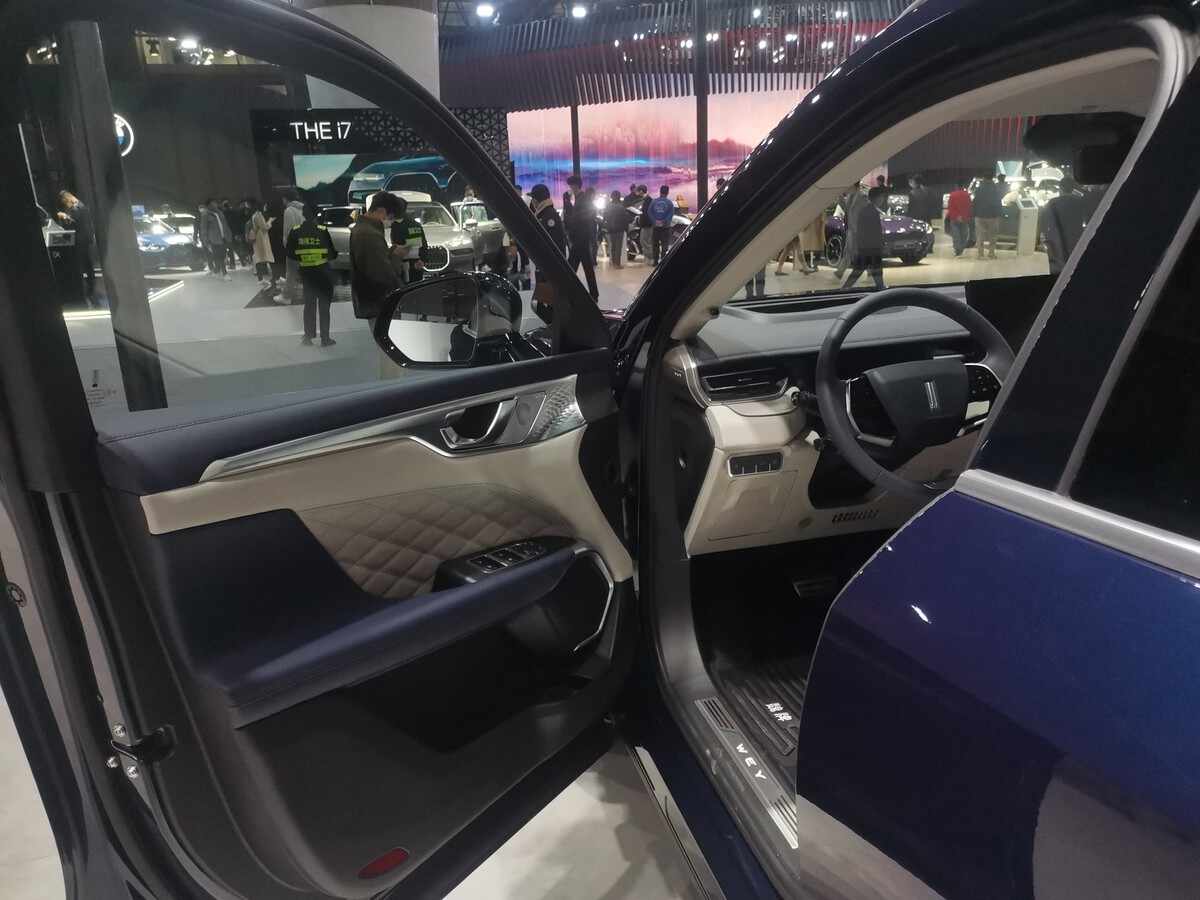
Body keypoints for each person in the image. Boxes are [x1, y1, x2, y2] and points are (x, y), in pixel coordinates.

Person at [286, 204, 338, 347]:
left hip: (306, 274)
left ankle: (308, 337)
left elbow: (290, 254)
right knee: (324, 306)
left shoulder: (295, 231)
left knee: (309, 305)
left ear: (303, 214)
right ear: (316, 215)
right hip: (323, 274)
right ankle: (325, 338)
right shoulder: (322, 230)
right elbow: (332, 254)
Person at [349, 190, 403, 320]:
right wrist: (396, 256)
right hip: (379, 303)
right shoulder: (368, 234)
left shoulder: (366, 230)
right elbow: (382, 274)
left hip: (373, 302)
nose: (390, 222)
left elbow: (373, 260)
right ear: (382, 211)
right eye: (391, 218)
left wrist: (390, 252)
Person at [529, 183, 566, 322]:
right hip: (546, 267)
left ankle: (555, 328)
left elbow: (553, 245)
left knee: (544, 305)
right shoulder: (544, 214)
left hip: (550, 269)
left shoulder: (548, 216)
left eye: (533, 199)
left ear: (536, 200)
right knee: (543, 304)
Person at [842, 187, 886, 291]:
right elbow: (873, 232)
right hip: (871, 248)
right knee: (875, 272)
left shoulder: (867, 210)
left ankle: (844, 289)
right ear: (877, 198)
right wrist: (880, 245)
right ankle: (881, 290)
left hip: (866, 248)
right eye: (882, 197)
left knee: (860, 271)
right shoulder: (872, 212)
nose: (883, 199)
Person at [55, 191, 96, 304]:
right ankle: (90, 290)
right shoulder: (80, 205)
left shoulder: (77, 207)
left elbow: (73, 222)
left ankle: (85, 291)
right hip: (85, 239)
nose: (66, 206)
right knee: (87, 265)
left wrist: (64, 216)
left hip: (81, 240)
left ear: (66, 199)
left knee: (82, 265)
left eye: (64, 202)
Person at [564, 175, 599, 300]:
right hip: (581, 238)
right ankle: (593, 294)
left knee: (572, 267)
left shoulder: (582, 199)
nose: (570, 188)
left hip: (580, 238)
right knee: (586, 267)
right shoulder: (580, 199)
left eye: (570, 186)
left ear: (575, 186)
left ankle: (568, 292)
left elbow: (581, 218)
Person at [390, 196, 430, 284]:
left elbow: (414, 245)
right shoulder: (414, 224)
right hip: (415, 265)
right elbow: (423, 244)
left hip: (405, 267)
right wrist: (422, 260)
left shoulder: (398, 225)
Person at [835, 182, 867, 279]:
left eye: (850, 185)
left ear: (854, 185)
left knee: (860, 252)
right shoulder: (849, 197)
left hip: (859, 229)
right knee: (848, 251)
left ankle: (872, 272)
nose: (847, 188)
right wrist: (840, 199)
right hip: (850, 229)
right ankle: (840, 272)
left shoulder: (862, 197)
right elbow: (846, 210)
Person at [282, 191, 306, 300]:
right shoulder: (302, 209)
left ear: (286, 199)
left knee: (291, 272)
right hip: (304, 244)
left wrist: (286, 245)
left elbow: (288, 230)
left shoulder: (289, 210)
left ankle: (287, 297)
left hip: (293, 246)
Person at [973, 173, 1001, 259]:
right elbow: (998, 202)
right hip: (993, 216)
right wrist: (999, 213)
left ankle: (980, 254)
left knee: (980, 236)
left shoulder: (979, 188)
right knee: (993, 236)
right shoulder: (996, 188)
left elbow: (975, 201)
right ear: (992, 178)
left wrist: (974, 212)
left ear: (984, 178)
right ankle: (991, 253)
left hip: (980, 215)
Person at [203, 198, 232, 280]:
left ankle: (216, 270)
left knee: (222, 255)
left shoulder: (220, 213)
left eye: (215, 203)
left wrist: (229, 235)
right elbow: (204, 229)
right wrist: (206, 242)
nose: (215, 205)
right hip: (214, 239)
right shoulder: (206, 215)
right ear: (209, 205)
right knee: (220, 256)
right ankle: (225, 274)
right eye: (213, 203)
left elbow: (225, 224)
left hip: (223, 238)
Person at [249, 200, 275, 288]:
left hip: (258, 238)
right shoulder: (258, 215)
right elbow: (264, 227)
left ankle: (260, 278)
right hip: (261, 238)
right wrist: (270, 221)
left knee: (259, 258)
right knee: (264, 257)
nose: (265, 207)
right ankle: (268, 278)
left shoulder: (254, 215)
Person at [603, 190, 631, 268]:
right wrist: (626, 229)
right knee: (618, 247)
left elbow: (605, 217)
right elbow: (625, 219)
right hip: (619, 229)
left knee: (613, 246)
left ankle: (613, 262)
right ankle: (617, 264)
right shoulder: (621, 207)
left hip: (611, 229)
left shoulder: (608, 206)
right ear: (619, 197)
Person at [648, 185, 675, 265]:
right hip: (665, 227)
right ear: (668, 192)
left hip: (655, 227)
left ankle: (655, 262)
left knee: (655, 245)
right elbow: (671, 214)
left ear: (660, 192)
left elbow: (649, 212)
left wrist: (655, 221)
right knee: (664, 245)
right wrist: (663, 221)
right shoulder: (669, 203)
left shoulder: (654, 202)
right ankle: (663, 262)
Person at [945, 180, 973, 257]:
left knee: (956, 234)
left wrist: (956, 216)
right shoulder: (967, 195)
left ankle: (957, 249)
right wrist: (968, 216)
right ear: (963, 186)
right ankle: (961, 248)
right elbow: (969, 206)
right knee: (964, 234)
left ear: (956, 186)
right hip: (964, 217)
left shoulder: (952, 195)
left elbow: (950, 207)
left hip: (954, 218)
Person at [798, 209, 826, 273]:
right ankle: (808, 266)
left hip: (814, 229)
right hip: (809, 229)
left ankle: (812, 266)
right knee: (808, 248)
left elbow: (823, 220)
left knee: (813, 247)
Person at [637, 185, 654, 263]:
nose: (637, 193)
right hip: (646, 224)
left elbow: (647, 214)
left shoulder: (648, 200)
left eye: (638, 191)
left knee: (646, 242)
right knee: (644, 241)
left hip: (647, 225)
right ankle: (648, 258)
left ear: (641, 191)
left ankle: (650, 258)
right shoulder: (646, 199)